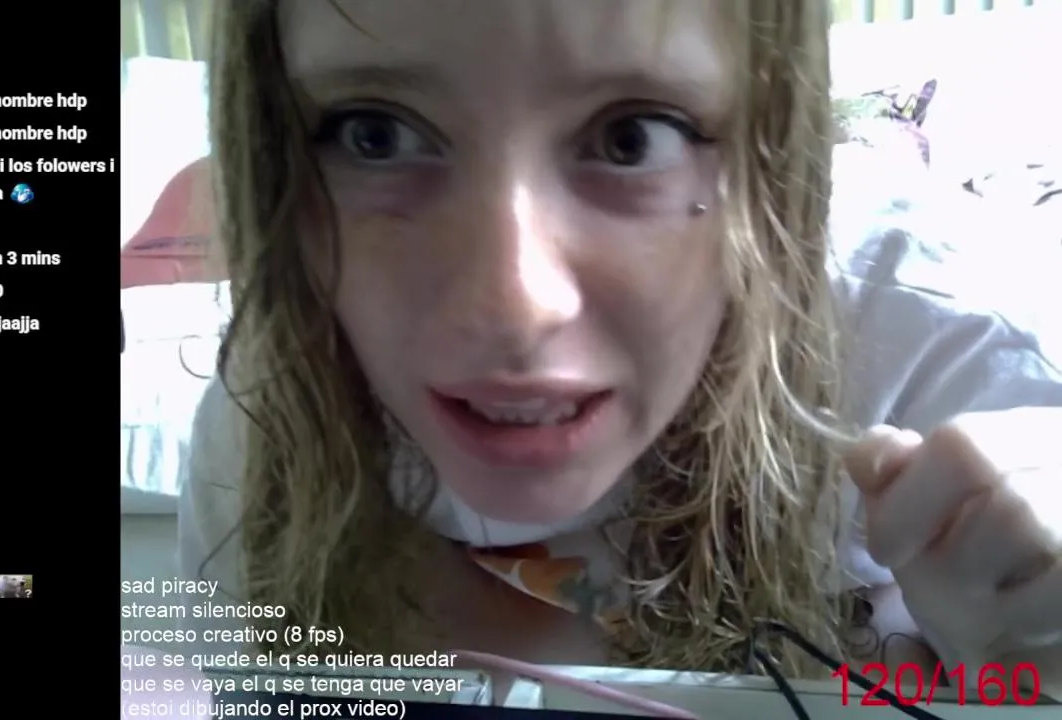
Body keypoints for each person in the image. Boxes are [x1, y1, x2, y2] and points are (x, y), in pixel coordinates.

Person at [177, 0, 1061, 691]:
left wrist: (1035, 679)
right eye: (375, 135)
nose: (510, 313)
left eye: (631, 138)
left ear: (770, 150)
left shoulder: (945, 361)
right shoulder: (271, 419)